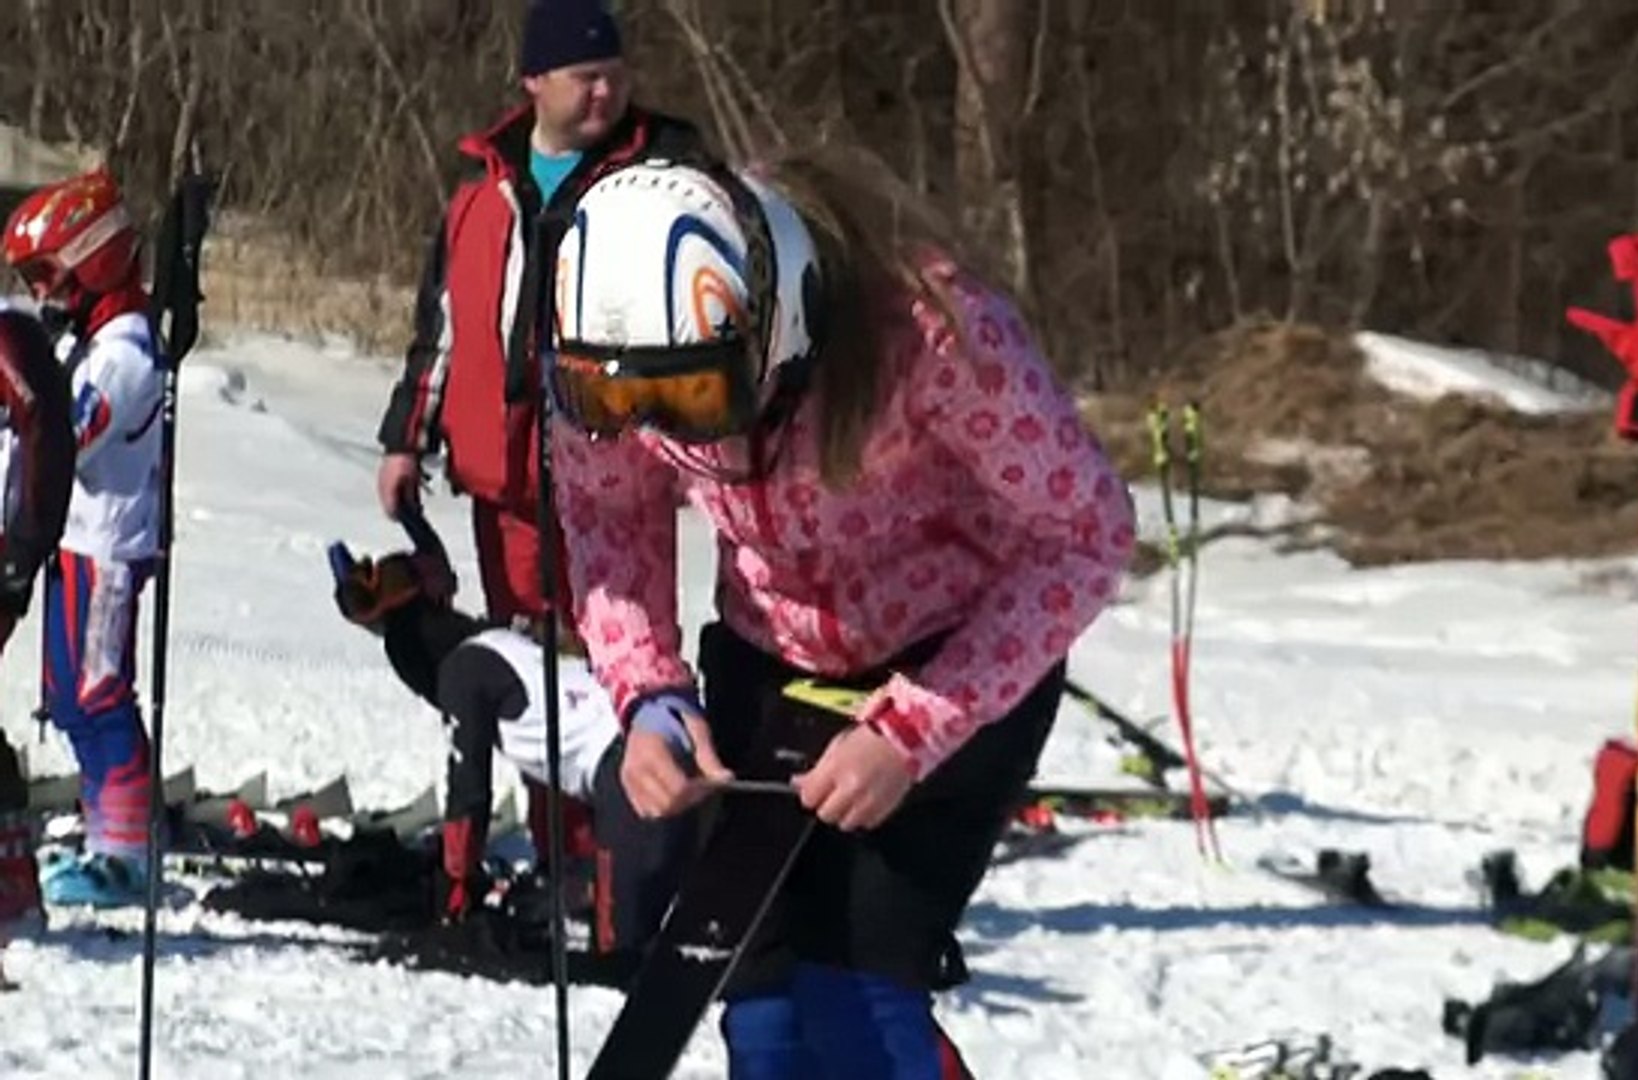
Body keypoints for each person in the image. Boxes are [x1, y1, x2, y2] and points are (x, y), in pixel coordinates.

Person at [544, 149, 1136, 1077]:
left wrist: (911, 730)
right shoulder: (624, 359)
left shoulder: (930, 332)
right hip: (769, 656)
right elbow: (608, 515)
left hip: (948, 658)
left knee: (854, 998)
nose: (667, 427)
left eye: (697, 395)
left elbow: (1087, 532)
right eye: (623, 401)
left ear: (775, 332)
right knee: (764, 1009)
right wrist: (648, 692)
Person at [374, 0, 705, 883]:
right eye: (584, 76)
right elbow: (441, 328)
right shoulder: (481, 195)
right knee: (526, 671)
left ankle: (628, 860)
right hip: (506, 480)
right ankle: (561, 848)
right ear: (535, 82)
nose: (605, 91)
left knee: (621, 663)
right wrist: (406, 438)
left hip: (618, 479)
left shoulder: (665, 171)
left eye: (615, 73)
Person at [330, 534, 689, 956]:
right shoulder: (499, 641)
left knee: (620, 958)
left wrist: (455, 879)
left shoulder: (462, 673)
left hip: (630, 774)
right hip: (662, 745)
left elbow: (468, 788)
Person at [2, 169, 167, 907]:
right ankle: (106, 829)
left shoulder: (124, 354)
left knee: (99, 696)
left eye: (48, 275)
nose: (42, 293)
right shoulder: (93, 342)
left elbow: (67, 435)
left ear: (94, 260)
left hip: (108, 544)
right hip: (70, 535)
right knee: (67, 697)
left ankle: (126, 853)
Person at [0, 307, 77, 971]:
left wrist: (27, 543)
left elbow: (48, 432)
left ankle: (11, 882)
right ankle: (14, 877)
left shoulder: (9, 340)